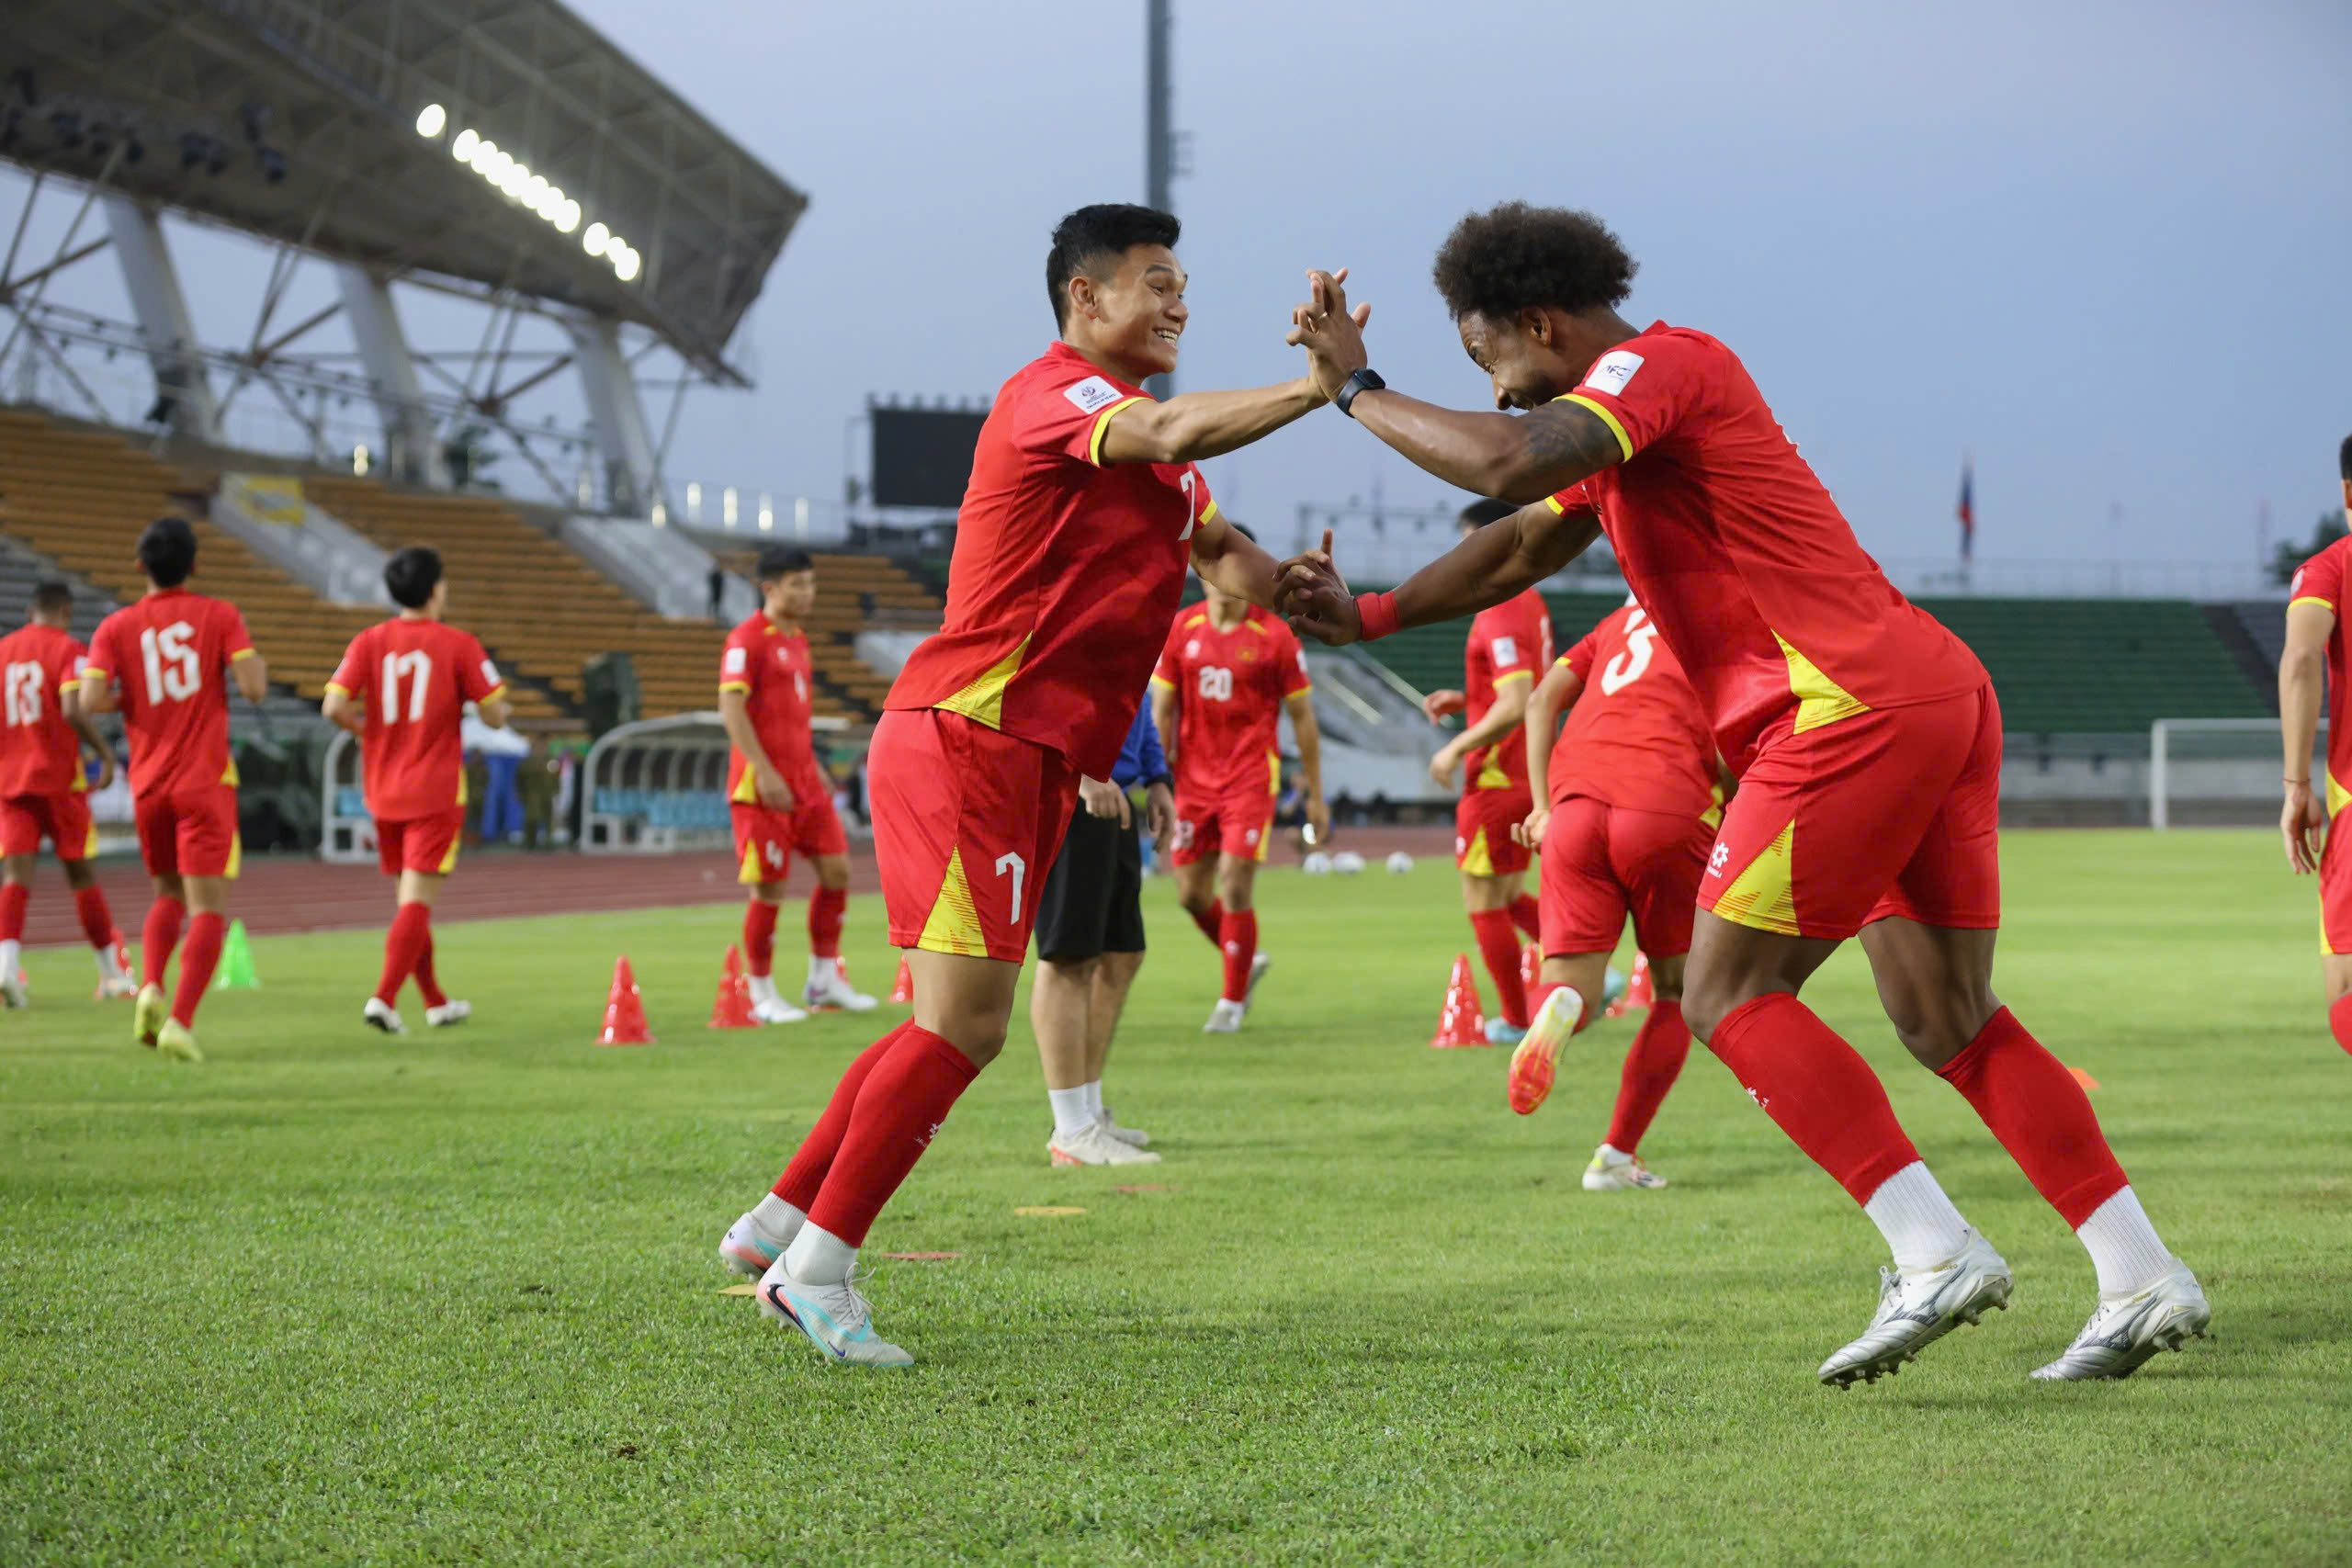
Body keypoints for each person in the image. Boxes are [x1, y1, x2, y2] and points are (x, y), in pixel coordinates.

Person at [1274, 203, 2206, 1384]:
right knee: (1946, 1019)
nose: (1498, 390)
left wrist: (1357, 389)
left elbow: (1506, 461)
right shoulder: (1627, 422)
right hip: (1920, 693)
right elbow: (1514, 542)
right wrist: (1367, 615)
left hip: (1843, 708)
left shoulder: (1657, 365)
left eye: (1490, 360)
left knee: (1722, 991)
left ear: (1538, 321)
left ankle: (1932, 1252)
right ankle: (2138, 1272)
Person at [715, 202, 1328, 1366]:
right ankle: (818, 1275)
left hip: (1024, 755)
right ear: (1084, 299)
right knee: (963, 1029)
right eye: (1156, 281)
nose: (1178, 301)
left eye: (1183, 282)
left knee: (936, 1024)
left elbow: (1224, 552)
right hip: (971, 737)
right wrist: (1317, 389)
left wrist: (1304, 590)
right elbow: (1173, 431)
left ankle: (777, 1223)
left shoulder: (1155, 461)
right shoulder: (1057, 397)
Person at [1509, 595, 1719, 1192]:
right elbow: (1737, 738)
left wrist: (1543, 807)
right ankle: (1615, 1156)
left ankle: (1563, 1006)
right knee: (1678, 992)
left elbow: (1540, 698)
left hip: (1575, 808)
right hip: (1665, 804)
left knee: (1567, 980)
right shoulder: (1718, 617)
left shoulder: (1616, 622)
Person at [77, 517, 270, 1064]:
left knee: (166, 895)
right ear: (195, 565)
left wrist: (133, 698)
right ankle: (181, 1021)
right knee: (208, 908)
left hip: (149, 784)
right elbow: (254, 688)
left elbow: (91, 700)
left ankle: (152, 987)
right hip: (205, 782)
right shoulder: (219, 615)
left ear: (140, 567)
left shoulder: (116, 627)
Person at [322, 547, 513, 1034]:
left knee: (410, 902)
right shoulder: (458, 644)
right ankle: (384, 999)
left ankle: (434, 1002)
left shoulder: (368, 641)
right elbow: (494, 711)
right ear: (434, 590)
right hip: (435, 789)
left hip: (383, 788)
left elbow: (332, 705)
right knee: (416, 904)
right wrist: (481, 708)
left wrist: (364, 730)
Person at [1150, 563, 1329, 1032]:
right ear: (1205, 577)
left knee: (1233, 881)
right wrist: (1157, 775)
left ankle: (1230, 1002)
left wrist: (1315, 794)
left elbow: (1304, 718)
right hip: (1192, 780)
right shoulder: (1181, 629)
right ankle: (1246, 958)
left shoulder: (1274, 636)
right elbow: (1162, 707)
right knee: (1190, 894)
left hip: (1250, 778)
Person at [717, 545, 874, 1023]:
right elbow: (732, 709)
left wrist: (813, 769)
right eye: (797, 584)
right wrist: (763, 770)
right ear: (769, 588)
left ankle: (824, 978)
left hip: (805, 781)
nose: (808, 593)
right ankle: (761, 993)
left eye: (810, 583)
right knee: (769, 889)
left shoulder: (799, 639)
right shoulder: (746, 640)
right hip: (760, 786)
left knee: (838, 872)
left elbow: (792, 718)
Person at [1420, 499, 1551, 1043]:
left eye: (1468, 540)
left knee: (1482, 901)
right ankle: (1588, 970)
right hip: (1526, 771)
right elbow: (1513, 688)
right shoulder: (1531, 600)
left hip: (1496, 776)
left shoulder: (1500, 607)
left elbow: (1516, 699)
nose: (1461, 552)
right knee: (1507, 895)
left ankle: (1516, 1019)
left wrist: (1456, 747)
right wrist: (1467, 700)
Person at [1029, 701, 1173, 1166]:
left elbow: (1136, 697)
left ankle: (1089, 1113)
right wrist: (1079, 769)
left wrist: (1157, 777)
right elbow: (1045, 684)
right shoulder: (1072, 624)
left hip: (1117, 790)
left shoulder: (1137, 628)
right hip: (1075, 789)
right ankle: (1071, 1130)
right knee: (1069, 958)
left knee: (1120, 955)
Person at [0, 581, 132, 1005]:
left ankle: (5, 968)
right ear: (65, 613)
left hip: (10, 781)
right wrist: (104, 753)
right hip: (59, 779)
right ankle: (112, 975)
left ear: (30, 611)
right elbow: (74, 707)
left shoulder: (3, 652)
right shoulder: (68, 649)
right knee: (81, 876)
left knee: (15, 878)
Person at [2278, 432, 2352, 1052]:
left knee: (2347, 999)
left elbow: (2302, 658)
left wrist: (2297, 785)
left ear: (2347, 490)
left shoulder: (2330, 568)